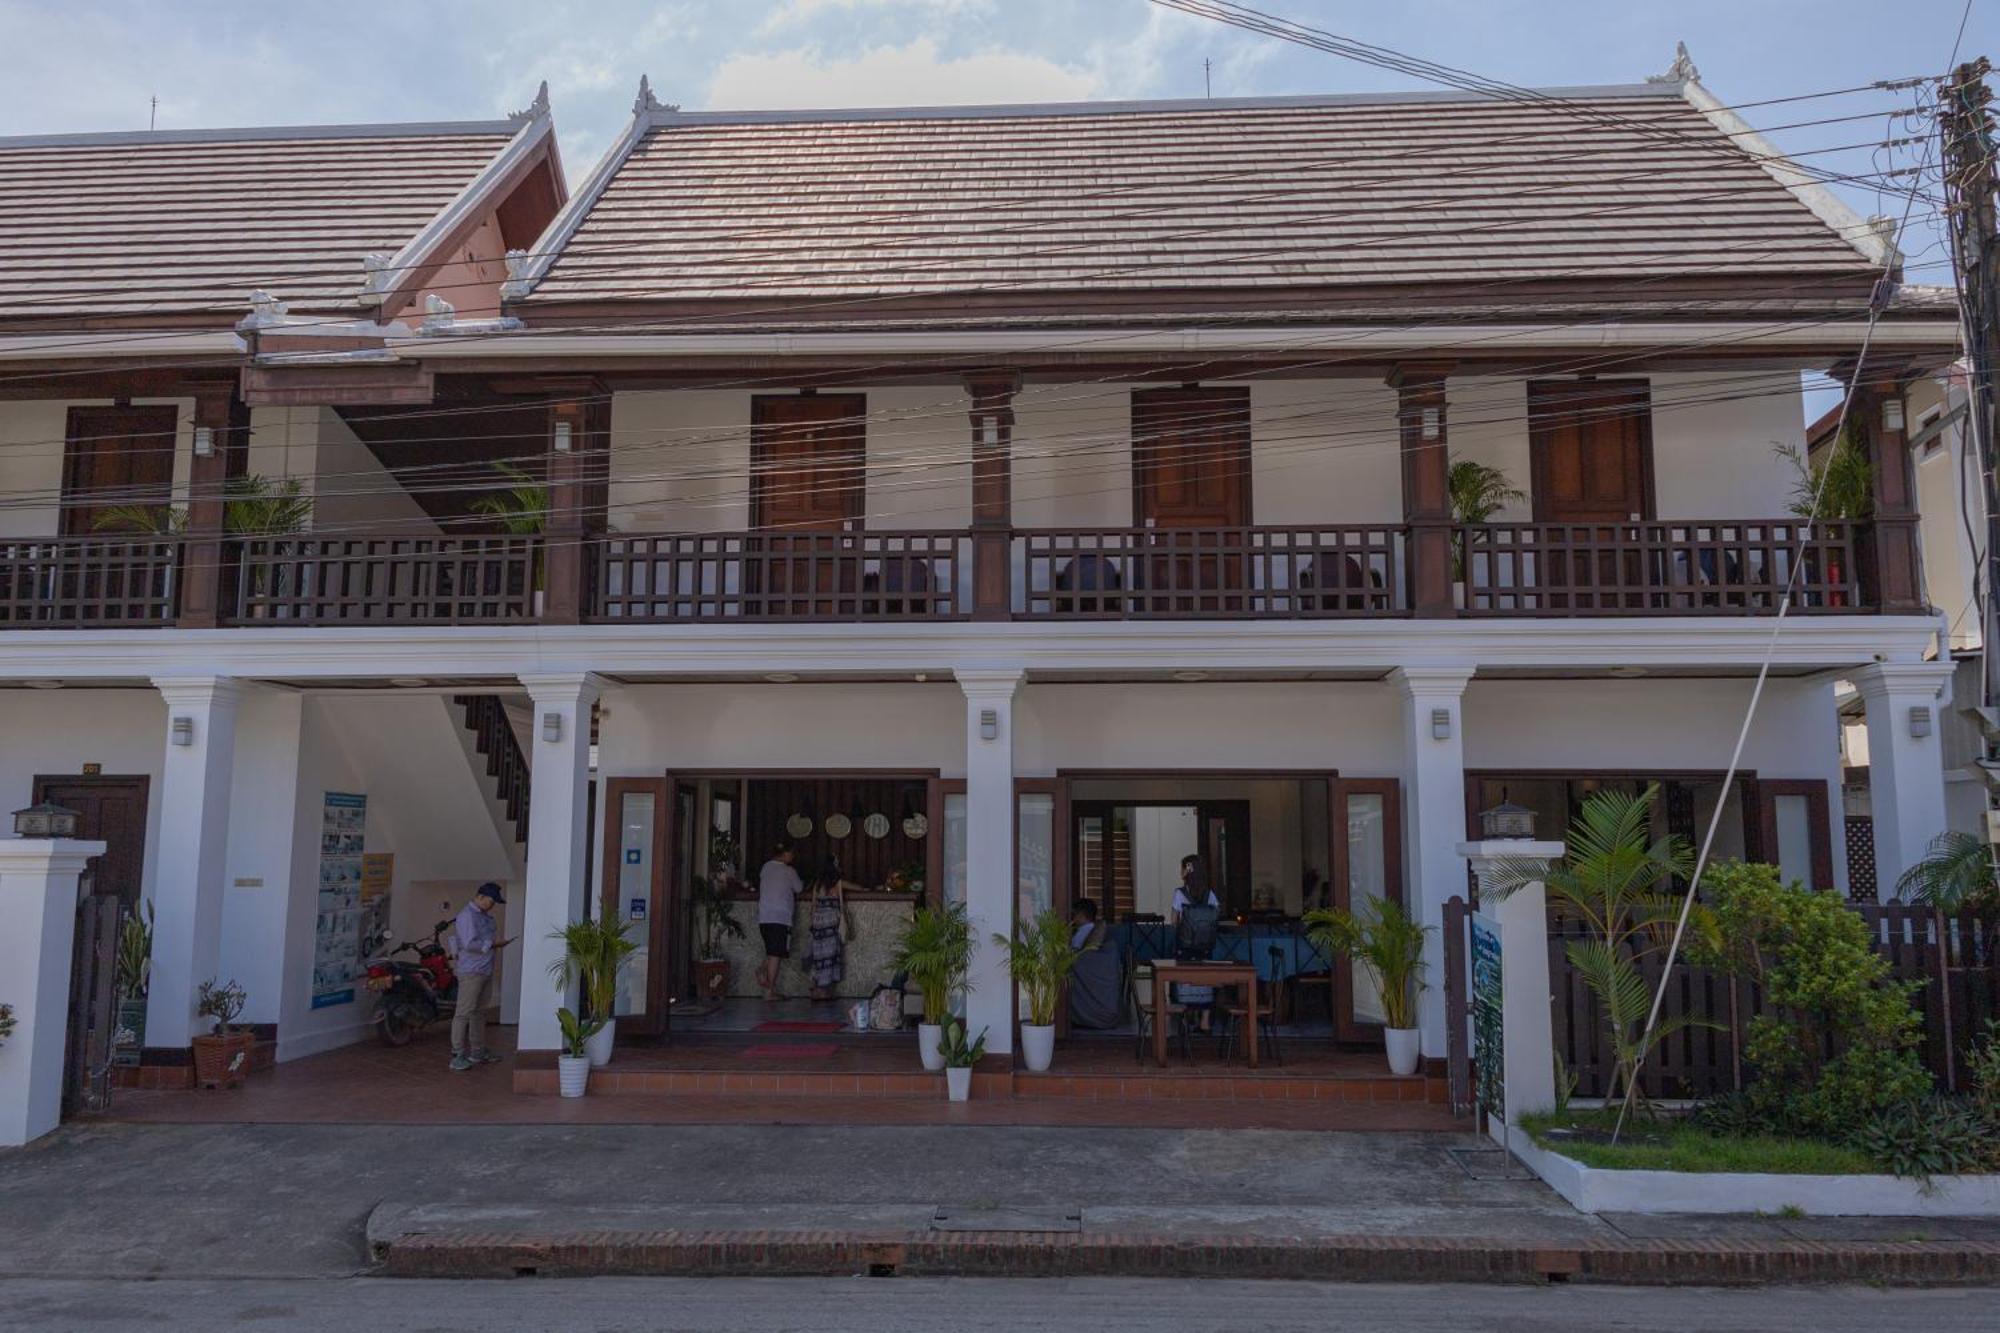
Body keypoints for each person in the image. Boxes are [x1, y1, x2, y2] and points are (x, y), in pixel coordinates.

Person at [449, 882, 513, 1072]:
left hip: (484, 969)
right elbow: (469, 944)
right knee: (464, 1012)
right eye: (491, 901)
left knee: (479, 1012)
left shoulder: (484, 916)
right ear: (480, 897)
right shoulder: (467, 916)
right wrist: (492, 944)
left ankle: (477, 1050)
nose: (492, 905)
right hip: (471, 971)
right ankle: (457, 1053)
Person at [1170, 855, 1223, 1030]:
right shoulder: (1210, 894)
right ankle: (1205, 1021)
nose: (1180, 871)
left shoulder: (1180, 893)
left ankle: (1186, 1017)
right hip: (1205, 945)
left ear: (1188, 870)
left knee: (1185, 978)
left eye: (1182, 868)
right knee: (1205, 978)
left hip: (1185, 945)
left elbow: (1174, 921)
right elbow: (1216, 917)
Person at [755, 842, 803, 1001]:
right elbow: (799, 888)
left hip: (764, 917)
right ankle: (769, 992)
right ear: (785, 854)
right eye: (791, 854)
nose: (793, 857)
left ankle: (762, 971)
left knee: (772, 950)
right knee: (776, 953)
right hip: (780, 917)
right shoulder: (789, 871)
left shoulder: (765, 868)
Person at [805, 864, 859, 1002]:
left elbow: (813, 905)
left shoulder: (817, 884)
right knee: (830, 955)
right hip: (831, 921)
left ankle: (815, 986)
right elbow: (858, 888)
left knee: (818, 955)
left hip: (817, 921)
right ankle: (823, 991)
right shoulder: (838, 883)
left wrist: (812, 922)